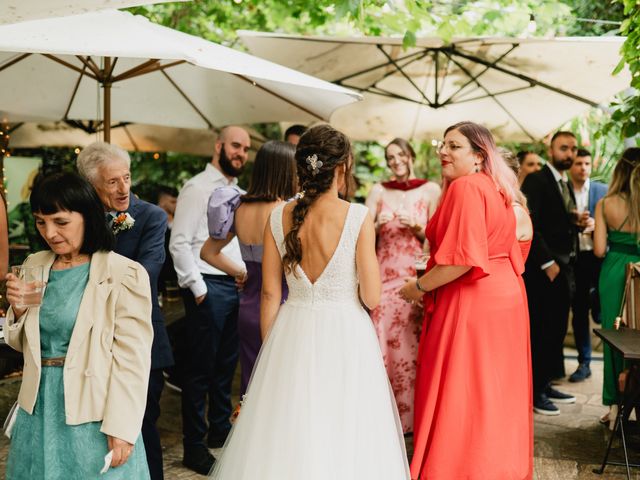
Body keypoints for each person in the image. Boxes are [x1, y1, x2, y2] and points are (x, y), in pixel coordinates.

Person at [210, 124, 410, 479]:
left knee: (292, 427)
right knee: (346, 427)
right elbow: (371, 295)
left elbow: (270, 293)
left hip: (292, 330)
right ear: (343, 166)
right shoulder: (358, 216)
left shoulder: (279, 216)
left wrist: (274, 353)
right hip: (347, 334)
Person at [400, 121, 532, 480]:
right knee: (492, 388)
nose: (443, 151)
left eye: (454, 146)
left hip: (474, 295)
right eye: (442, 144)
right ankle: (496, 464)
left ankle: (459, 466)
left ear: (479, 156)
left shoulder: (468, 187)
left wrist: (419, 287)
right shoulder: (496, 187)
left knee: (464, 386)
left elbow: (460, 261)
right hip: (505, 295)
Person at [4, 172, 153, 479]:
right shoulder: (34, 265)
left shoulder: (124, 274)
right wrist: (17, 312)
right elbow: (22, 344)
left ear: (87, 216)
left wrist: (122, 428)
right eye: (41, 221)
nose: (50, 232)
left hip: (93, 410)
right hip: (37, 410)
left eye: (60, 222)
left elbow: (132, 360)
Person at [77, 142, 173, 480]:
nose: (123, 189)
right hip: (87, 342)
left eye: (127, 178)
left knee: (141, 429)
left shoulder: (151, 216)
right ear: (91, 186)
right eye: (112, 182)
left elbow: (144, 276)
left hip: (139, 341)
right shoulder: (76, 219)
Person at [169, 125, 251, 474]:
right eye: (235, 146)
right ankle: (194, 447)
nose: (241, 153)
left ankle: (220, 431)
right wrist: (198, 288)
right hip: (207, 287)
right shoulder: (196, 188)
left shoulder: (242, 193)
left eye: (246, 149)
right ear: (218, 146)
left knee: (224, 369)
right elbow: (179, 242)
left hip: (235, 287)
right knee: (199, 372)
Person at [201, 140, 297, 395]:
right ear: (285, 171)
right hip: (282, 307)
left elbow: (208, 252)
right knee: (281, 387)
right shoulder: (286, 212)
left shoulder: (239, 207)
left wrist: (243, 272)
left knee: (253, 387)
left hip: (249, 308)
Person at [365, 137, 440, 433]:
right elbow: (361, 235)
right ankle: (383, 415)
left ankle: (412, 418)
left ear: (410, 156)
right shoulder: (378, 191)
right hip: (383, 277)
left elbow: (435, 240)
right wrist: (377, 226)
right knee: (381, 335)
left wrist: (418, 228)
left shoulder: (431, 189)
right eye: (389, 157)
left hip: (414, 275)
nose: (395, 161)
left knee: (413, 341)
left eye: (399, 155)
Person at [521, 131, 585, 415]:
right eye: (563, 148)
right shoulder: (537, 180)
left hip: (564, 267)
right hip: (543, 270)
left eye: (572, 149)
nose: (569, 154)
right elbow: (529, 221)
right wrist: (547, 263)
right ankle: (534, 392)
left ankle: (545, 384)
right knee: (542, 331)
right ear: (551, 150)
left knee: (556, 331)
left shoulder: (564, 183)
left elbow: (554, 219)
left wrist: (576, 222)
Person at [594, 147, 640, 426]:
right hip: (639, 273)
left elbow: (599, 249)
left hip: (613, 273)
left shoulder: (605, 203)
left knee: (614, 341)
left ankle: (614, 408)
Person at [568, 149, 608, 383]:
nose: (583, 167)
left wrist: (597, 227)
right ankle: (585, 363)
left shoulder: (602, 191)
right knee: (579, 311)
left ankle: (597, 301)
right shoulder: (564, 191)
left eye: (586, 163)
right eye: (578, 163)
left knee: (600, 305)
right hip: (575, 260)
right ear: (571, 167)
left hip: (599, 257)